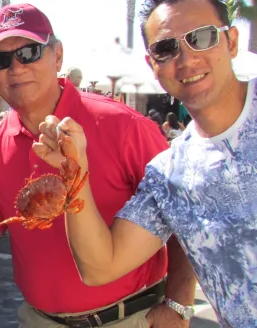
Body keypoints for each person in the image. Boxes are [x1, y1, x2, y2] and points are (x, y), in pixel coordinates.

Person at [0, 3, 196, 327]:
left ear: (57, 55)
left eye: (29, 52)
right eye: (0, 59)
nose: (16, 67)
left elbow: (184, 215)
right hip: (39, 320)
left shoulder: (124, 125)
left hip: (129, 317)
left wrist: (178, 304)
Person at [31, 0, 257, 326]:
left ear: (232, 41)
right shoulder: (170, 175)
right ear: (153, 65)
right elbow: (100, 267)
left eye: (202, 37)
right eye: (167, 48)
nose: (187, 58)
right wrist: (73, 172)